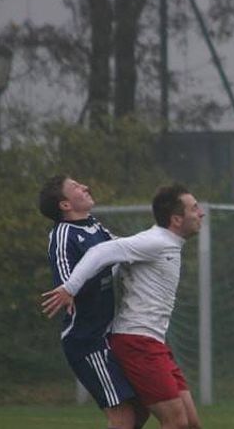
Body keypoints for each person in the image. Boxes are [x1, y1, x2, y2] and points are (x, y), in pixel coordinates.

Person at [42, 183, 206, 429]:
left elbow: (115, 250)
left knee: (187, 422)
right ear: (176, 219)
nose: (201, 213)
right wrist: (70, 287)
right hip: (137, 342)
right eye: (194, 208)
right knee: (173, 421)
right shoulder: (155, 241)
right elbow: (100, 252)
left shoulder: (158, 242)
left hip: (153, 341)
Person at [38, 175, 147, 429]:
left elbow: (119, 250)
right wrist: (72, 287)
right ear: (65, 205)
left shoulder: (95, 227)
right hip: (87, 340)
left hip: (109, 335)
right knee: (122, 416)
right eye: (76, 186)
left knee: (141, 408)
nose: (85, 186)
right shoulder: (63, 235)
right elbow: (68, 285)